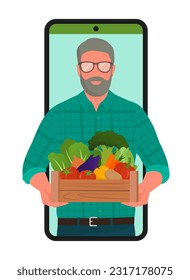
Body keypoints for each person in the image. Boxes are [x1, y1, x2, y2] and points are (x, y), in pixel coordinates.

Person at [22, 38, 169, 237]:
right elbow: (31, 165)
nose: (96, 72)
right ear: (78, 70)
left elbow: (159, 165)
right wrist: (45, 188)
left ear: (113, 70)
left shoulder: (133, 114)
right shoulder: (57, 115)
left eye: (103, 65)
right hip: (70, 227)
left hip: (122, 226)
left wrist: (145, 188)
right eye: (88, 65)